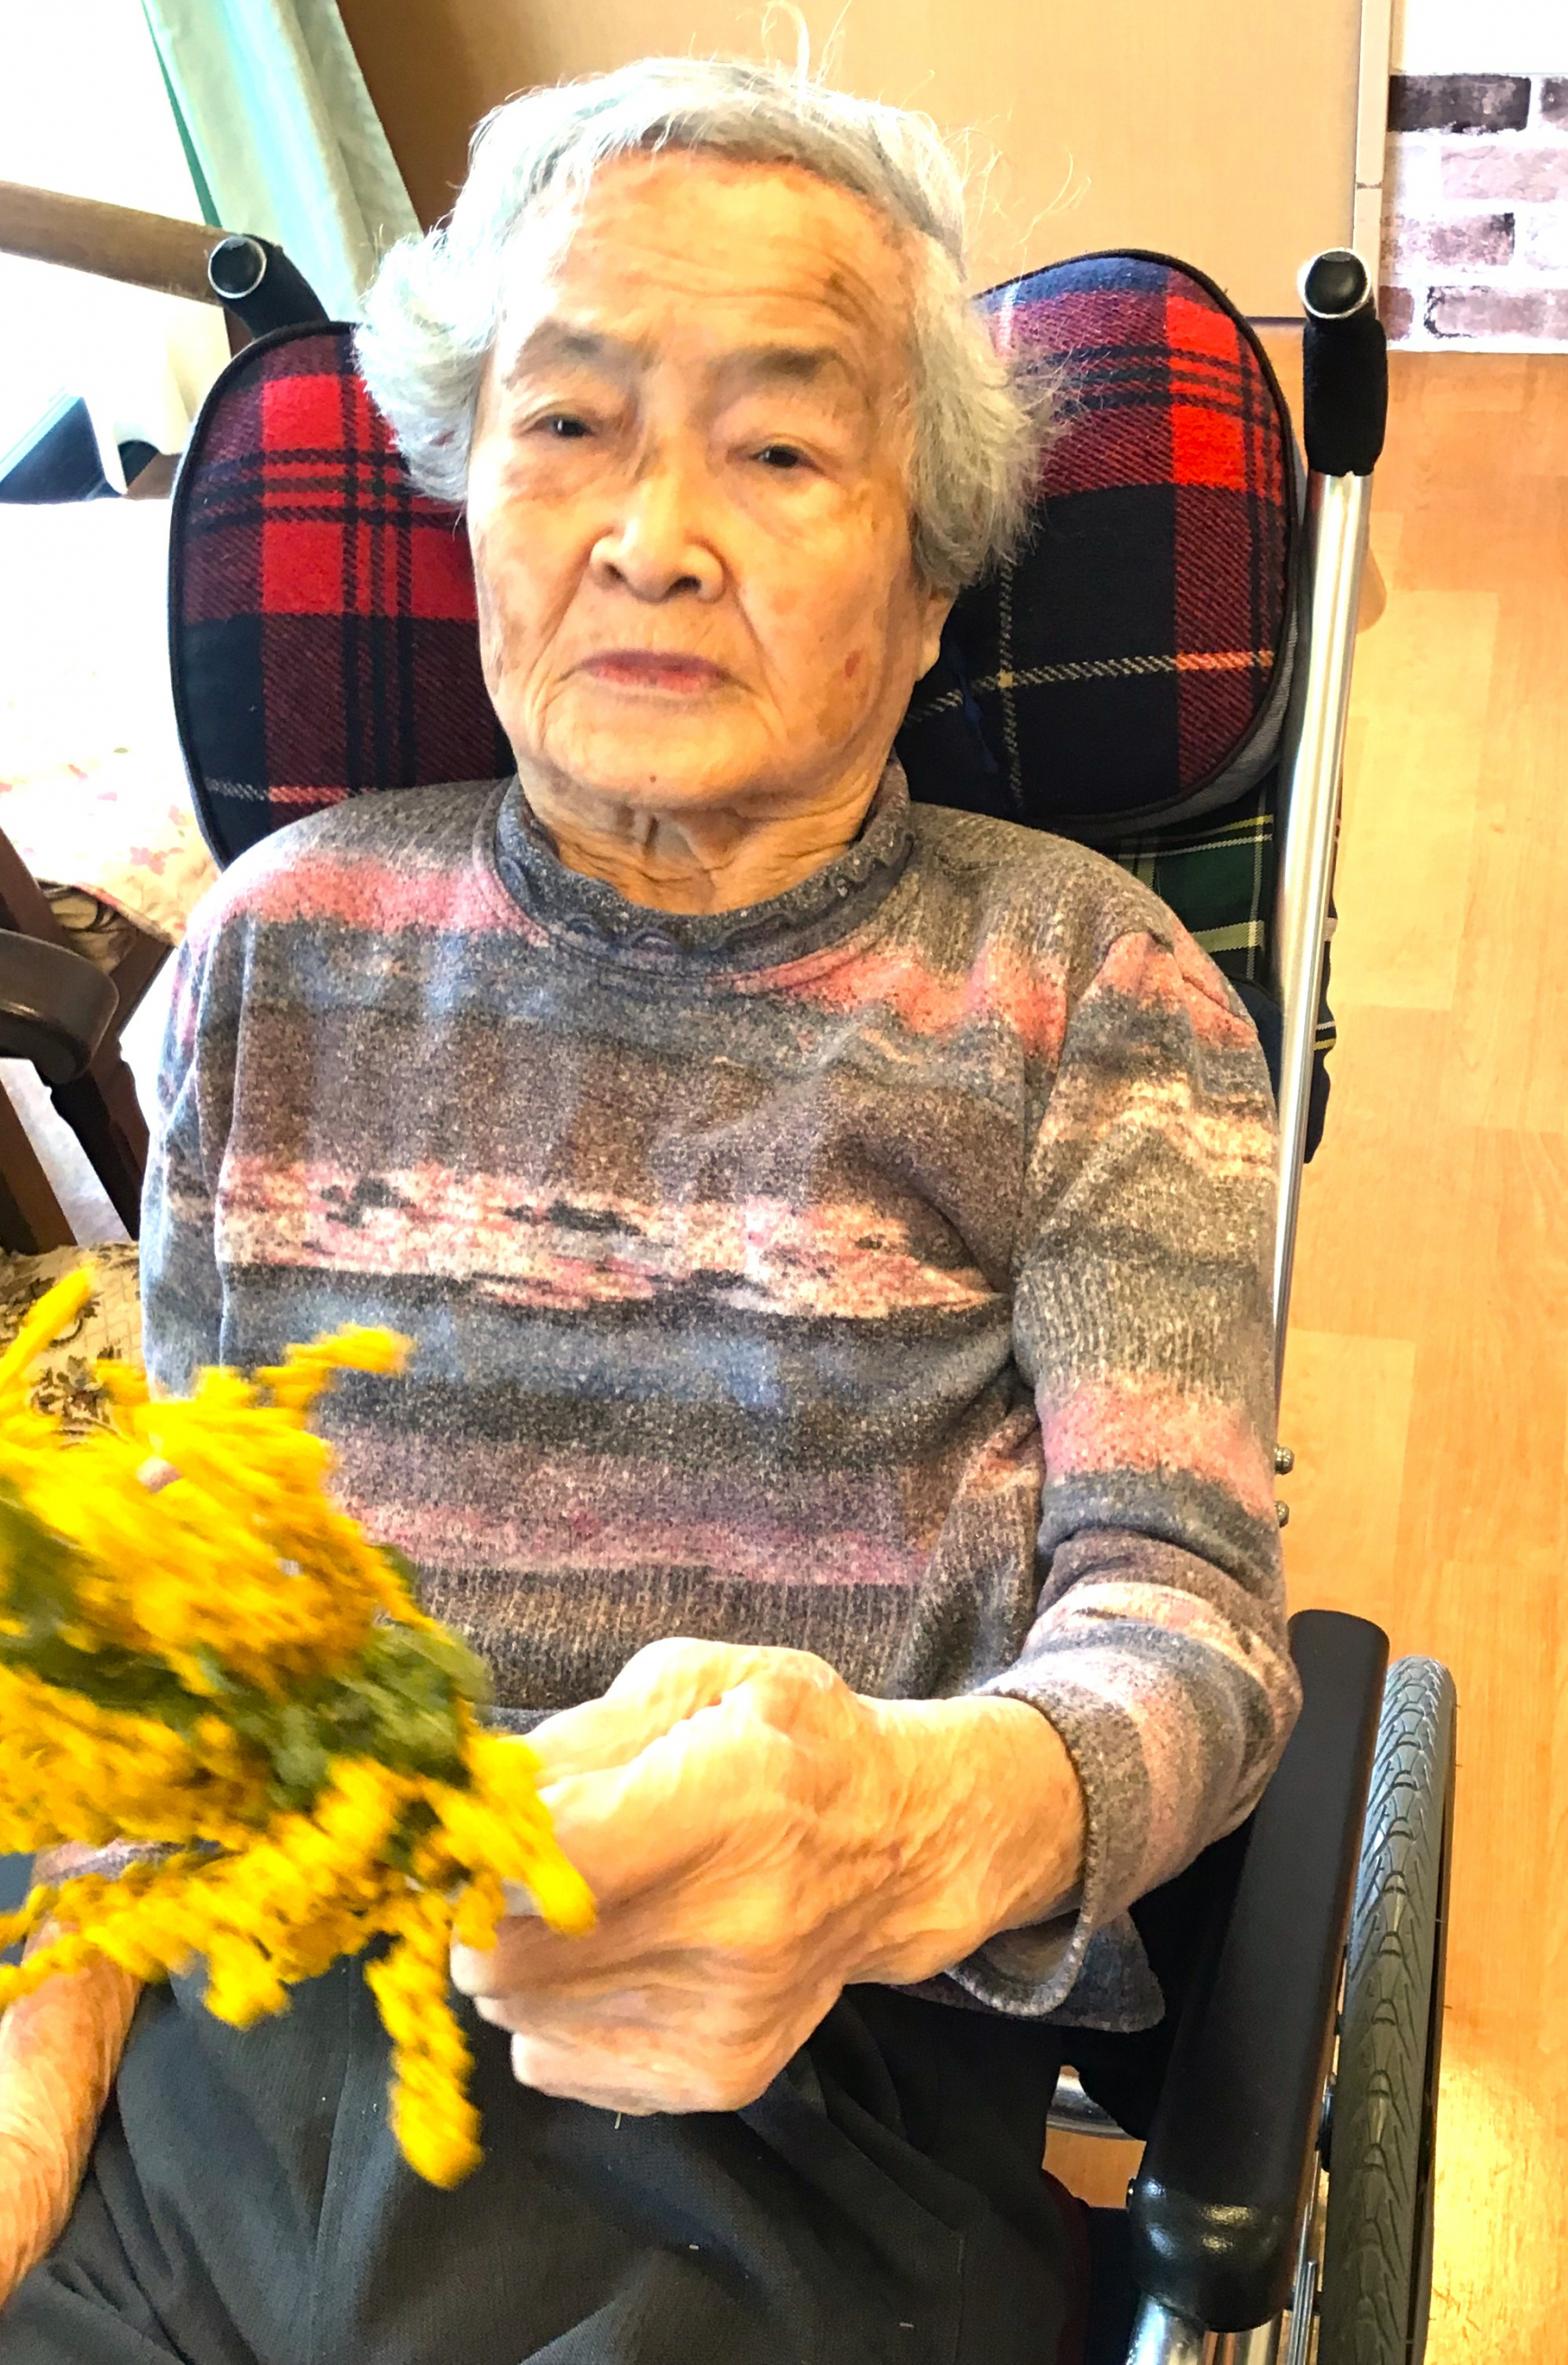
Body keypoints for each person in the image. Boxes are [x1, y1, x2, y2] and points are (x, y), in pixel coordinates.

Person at [0, 58, 1298, 2365]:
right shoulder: (276, 948)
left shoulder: (1082, 991)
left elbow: (1185, 1624)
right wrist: (45, 2044)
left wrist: (897, 1822)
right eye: (569, 425)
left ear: (927, 586)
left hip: (782, 2107)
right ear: (467, 501)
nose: (654, 535)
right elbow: (208, 1569)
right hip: (231, 2039)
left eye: (779, 449)